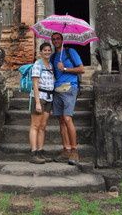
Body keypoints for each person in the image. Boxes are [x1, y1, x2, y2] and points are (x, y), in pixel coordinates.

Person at [51, 32, 85, 165]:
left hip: (70, 87)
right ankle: (66, 149)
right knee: (61, 121)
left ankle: (74, 151)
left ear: (62, 40)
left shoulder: (71, 51)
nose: (56, 41)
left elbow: (81, 69)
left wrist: (64, 68)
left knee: (67, 118)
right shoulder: (54, 56)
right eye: (53, 39)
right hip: (57, 89)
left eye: (58, 38)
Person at [29, 42, 55, 164]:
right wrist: (38, 102)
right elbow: (35, 83)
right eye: (45, 50)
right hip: (39, 97)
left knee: (43, 126)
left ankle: (40, 151)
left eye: (49, 50)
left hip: (49, 98)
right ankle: (33, 153)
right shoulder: (37, 64)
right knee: (35, 125)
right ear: (40, 52)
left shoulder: (50, 65)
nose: (47, 52)